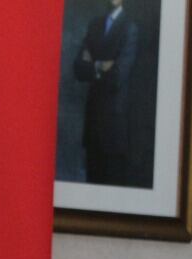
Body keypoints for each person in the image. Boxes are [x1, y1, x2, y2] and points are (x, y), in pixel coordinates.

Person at [74, 0, 138, 185]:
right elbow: (78, 69)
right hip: (93, 123)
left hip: (113, 129)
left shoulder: (129, 28)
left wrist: (92, 65)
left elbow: (118, 76)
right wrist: (102, 65)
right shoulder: (94, 25)